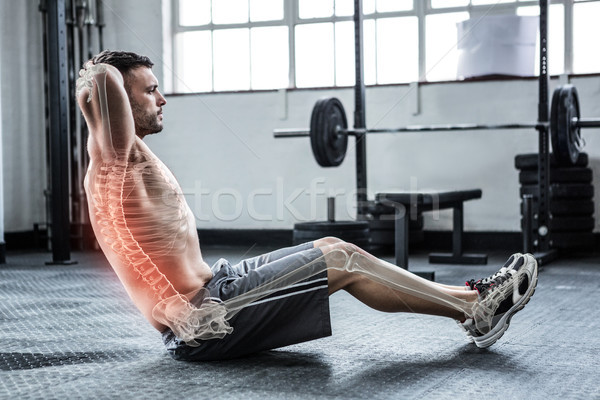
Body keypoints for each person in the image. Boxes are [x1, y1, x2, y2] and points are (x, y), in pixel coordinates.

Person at [76, 50, 538, 361]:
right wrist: (96, 71)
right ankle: (475, 311)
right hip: (203, 319)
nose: (161, 98)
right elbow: (103, 80)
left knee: (332, 245)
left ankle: (473, 301)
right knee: (342, 259)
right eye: (148, 90)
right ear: (116, 99)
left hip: (217, 284)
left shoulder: (127, 152)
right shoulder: (114, 155)